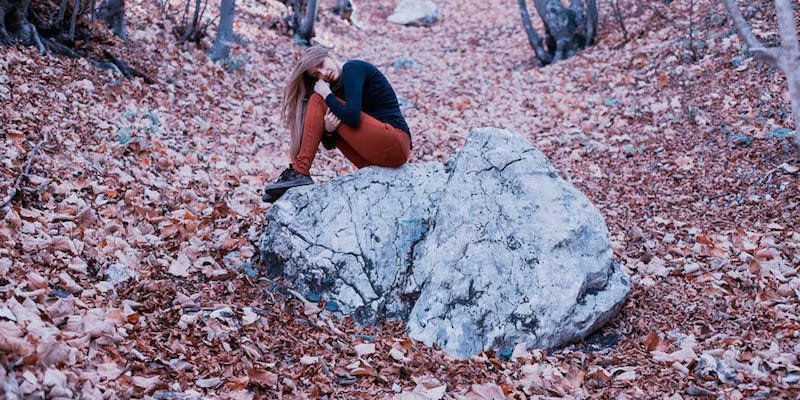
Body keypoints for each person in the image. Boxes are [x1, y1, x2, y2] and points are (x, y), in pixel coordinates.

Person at [262, 45, 412, 203]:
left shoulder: (352, 68)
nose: (323, 73)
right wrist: (329, 130)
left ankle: (300, 169)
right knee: (327, 107)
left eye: (321, 64)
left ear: (331, 54)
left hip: (395, 140)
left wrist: (326, 94)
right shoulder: (335, 90)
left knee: (318, 99)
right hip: (377, 160)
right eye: (317, 74)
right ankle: (297, 176)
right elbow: (329, 145)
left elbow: (353, 117)